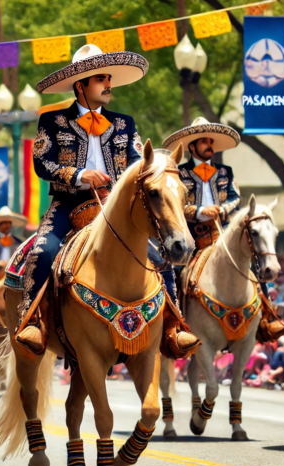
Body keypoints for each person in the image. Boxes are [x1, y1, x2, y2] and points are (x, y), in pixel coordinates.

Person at [10, 44, 195, 357]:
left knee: (158, 257)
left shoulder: (125, 123)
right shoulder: (52, 121)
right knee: (43, 250)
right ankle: (33, 321)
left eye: (109, 78)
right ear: (81, 85)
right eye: (101, 79)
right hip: (69, 205)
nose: (108, 84)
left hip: (116, 205)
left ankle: (174, 326)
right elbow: (42, 162)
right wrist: (81, 175)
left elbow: (140, 162)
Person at [162, 117, 284, 341]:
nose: (209, 145)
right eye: (204, 142)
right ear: (192, 147)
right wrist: (200, 211)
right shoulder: (180, 173)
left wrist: (221, 209)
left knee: (253, 266)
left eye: (211, 142)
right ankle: (176, 324)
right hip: (193, 235)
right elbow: (176, 202)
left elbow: (235, 197)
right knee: (176, 270)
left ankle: (267, 317)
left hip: (225, 231)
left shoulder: (225, 171)